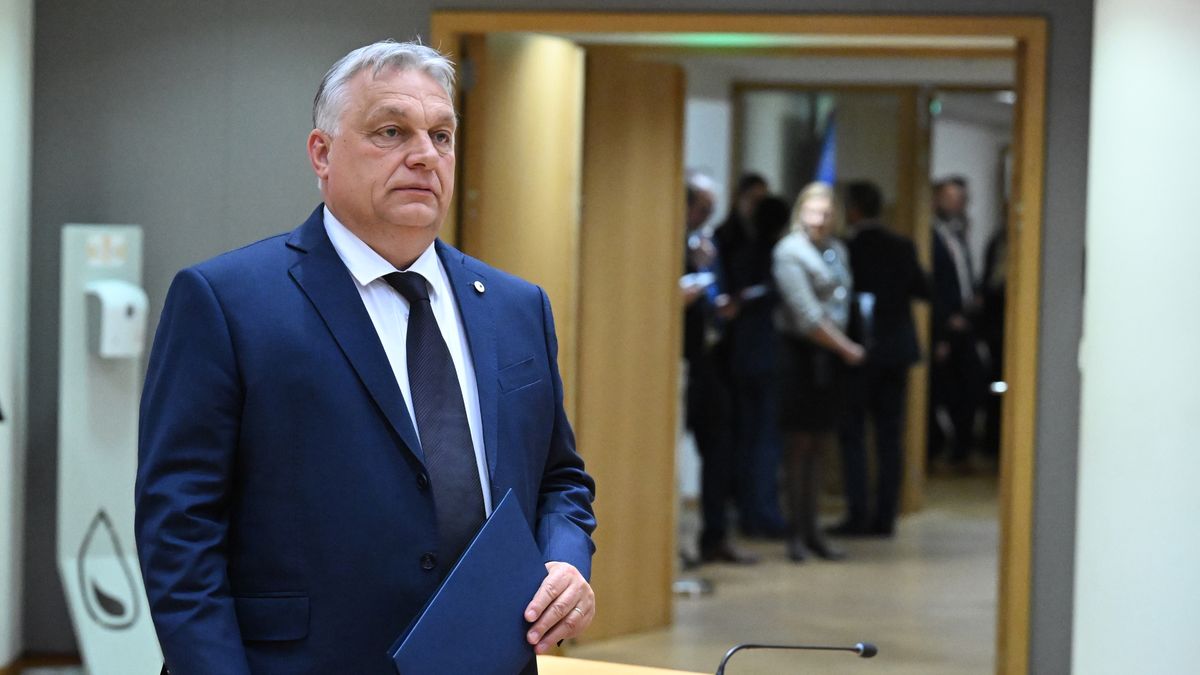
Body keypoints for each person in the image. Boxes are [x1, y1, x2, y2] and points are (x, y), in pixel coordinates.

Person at [135, 41, 596, 674]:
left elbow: (559, 480)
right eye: (391, 131)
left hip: (487, 658)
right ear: (321, 154)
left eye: (441, 135)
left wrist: (565, 558)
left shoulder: (517, 307)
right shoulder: (226, 301)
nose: (423, 155)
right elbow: (179, 531)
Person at [772, 181, 864, 562]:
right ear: (800, 211)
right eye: (814, 211)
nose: (820, 220)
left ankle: (814, 530)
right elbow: (806, 314)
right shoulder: (789, 251)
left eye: (827, 213)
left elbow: (844, 297)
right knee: (798, 446)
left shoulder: (836, 249)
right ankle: (795, 534)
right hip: (800, 357)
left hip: (830, 361)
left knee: (819, 443)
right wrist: (847, 348)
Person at [832, 181, 930, 538]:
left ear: (854, 210)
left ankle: (858, 512)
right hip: (895, 351)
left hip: (857, 350)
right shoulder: (902, 246)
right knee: (891, 436)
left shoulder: (846, 249)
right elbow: (923, 288)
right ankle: (886, 514)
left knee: (853, 434)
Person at [681, 174, 757, 565]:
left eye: (711, 210)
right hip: (678, 363)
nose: (705, 216)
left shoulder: (707, 243)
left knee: (720, 447)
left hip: (712, 360)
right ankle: (675, 547)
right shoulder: (669, 239)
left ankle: (715, 536)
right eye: (701, 208)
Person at [713, 174, 787, 539]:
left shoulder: (743, 246)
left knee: (753, 438)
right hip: (757, 354)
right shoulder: (756, 249)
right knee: (760, 439)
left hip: (744, 352)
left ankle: (753, 510)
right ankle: (759, 512)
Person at [929, 177, 983, 469]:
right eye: (950, 197)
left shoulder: (959, 234)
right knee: (940, 390)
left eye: (960, 197)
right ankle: (934, 446)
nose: (957, 203)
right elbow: (934, 285)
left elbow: (962, 275)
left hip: (967, 322)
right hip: (945, 326)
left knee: (972, 386)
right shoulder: (931, 235)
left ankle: (962, 448)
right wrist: (943, 325)